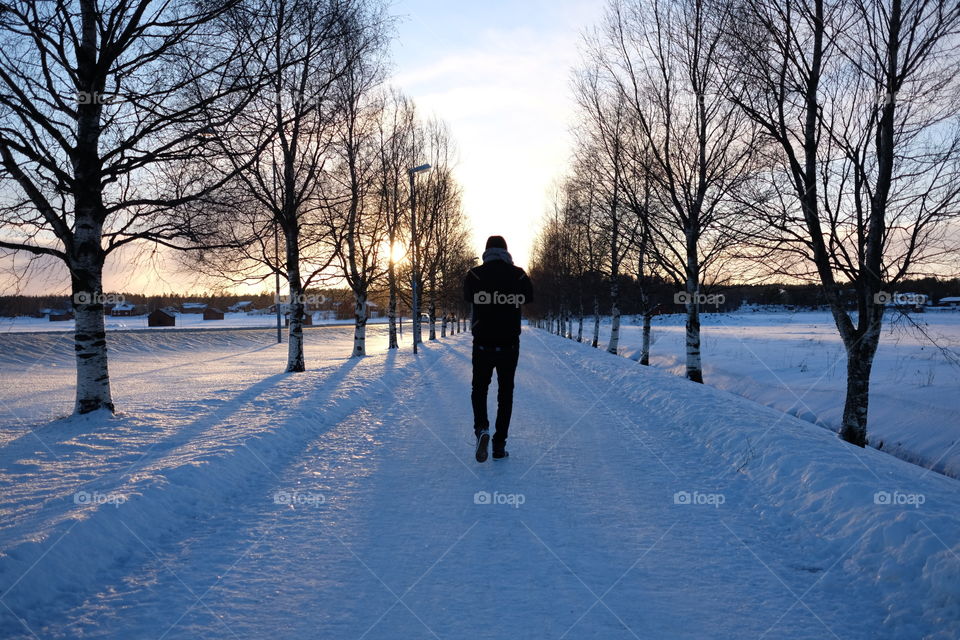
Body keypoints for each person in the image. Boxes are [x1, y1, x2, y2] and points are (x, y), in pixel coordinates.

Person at [463, 235, 534, 462]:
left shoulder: (474, 274)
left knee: (479, 389)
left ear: (486, 251)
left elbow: (467, 296)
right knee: (505, 394)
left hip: (482, 343)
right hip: (509, 344)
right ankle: (499, 445)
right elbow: (529, 297)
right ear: (506, 251)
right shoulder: (518, 274)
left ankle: (481, 429)